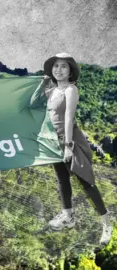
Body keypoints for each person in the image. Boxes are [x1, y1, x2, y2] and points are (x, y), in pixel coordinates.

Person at [30, 52, 113, 246]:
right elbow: (32, 104)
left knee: (86, 182)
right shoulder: (51, 91)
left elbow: (68, 118)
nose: (59, 70)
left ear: (70, 70)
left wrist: (69, 146)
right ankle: (68, 215)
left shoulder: (70, 90)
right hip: (53, 141)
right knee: (62, 179)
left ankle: (106, 223)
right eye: (55, 66)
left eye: (63, 66)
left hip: (71, 140)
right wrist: (42, 84)